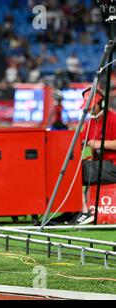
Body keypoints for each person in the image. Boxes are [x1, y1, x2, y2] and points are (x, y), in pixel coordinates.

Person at [69, 87, 116, 225]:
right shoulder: (90, 122)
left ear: (101, 103)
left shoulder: (113, 119)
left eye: (91, 107)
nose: (88, 110)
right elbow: (81, 142)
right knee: (70, 168)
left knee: (75, 171)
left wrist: (99, 143)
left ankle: (84, 212)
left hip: (113, 166)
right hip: (101, 165)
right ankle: (73, 210)